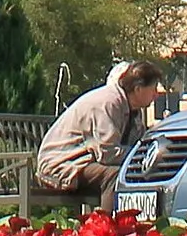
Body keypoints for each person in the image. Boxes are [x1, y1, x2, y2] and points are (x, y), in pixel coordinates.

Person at [36, 59, 165, 210]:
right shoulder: (108, 103)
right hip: (61, 164)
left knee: (143, 173)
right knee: (114, 176)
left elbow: (136, 143)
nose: (156, 94)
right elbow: (108, 155)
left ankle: (140, 227)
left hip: (83, 161)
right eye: (153, 88)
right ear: (138, 89)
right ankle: (106, 229)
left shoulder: (132, 109)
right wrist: (142, 157)